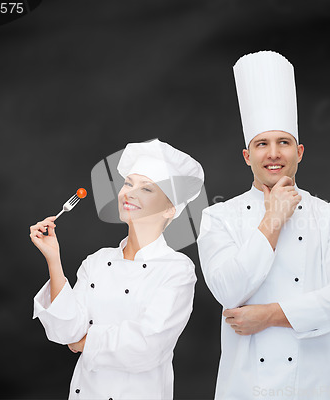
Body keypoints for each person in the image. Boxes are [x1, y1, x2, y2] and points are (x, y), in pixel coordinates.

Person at [197, 51, 330, 400]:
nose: (273, 153)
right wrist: (273, 218)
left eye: (283, 143)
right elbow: (228, 292)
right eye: (262, 144)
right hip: (245, 388)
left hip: (317, 384)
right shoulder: (219, 217)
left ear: (299, 151)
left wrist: (271, 315)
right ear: (248, 156)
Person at [30, 139, 204, 400]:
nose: (129, 193)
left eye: (146, 189)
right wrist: (54, 259)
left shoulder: (177, 269)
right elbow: (64, 331)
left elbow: (148, 345)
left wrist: (85, 342)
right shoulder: (97, 262)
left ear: (170, 209)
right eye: (128, 183)